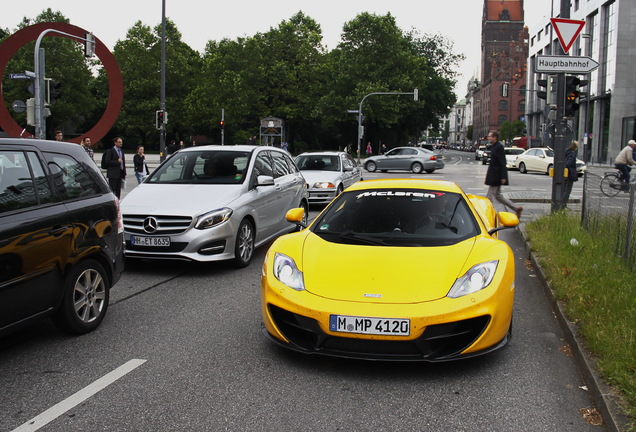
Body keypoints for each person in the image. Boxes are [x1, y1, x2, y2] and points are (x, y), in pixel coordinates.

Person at [485, 130, 523, 217]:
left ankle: (486, 214)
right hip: (493, 175)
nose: (488, 138)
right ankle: (516, 208)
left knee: (489, 197)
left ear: (494, 137)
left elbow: (502, 162)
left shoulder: (498, 147)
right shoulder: (494, 146)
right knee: (498, 196)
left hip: (496, 176)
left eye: (490, 136)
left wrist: (503, 176)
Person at [562, 141, 579, 205]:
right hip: (569, 174)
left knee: (564, 190)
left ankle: (562, 204)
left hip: (565, 173)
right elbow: (569, 163)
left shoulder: (566, 152)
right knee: (567, 191)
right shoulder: (572, 154)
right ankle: (563, 204)